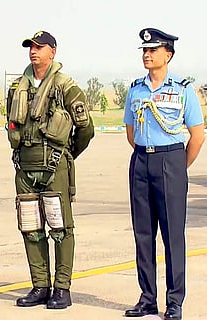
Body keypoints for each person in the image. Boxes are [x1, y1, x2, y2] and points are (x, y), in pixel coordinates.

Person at [6, 31, 94, 309]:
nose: (34, 52)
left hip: (55, 167)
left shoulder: (66, 86)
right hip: (25, 167)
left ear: (52, 52)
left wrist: (67, 156)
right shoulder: (17, 87)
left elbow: (85, 129)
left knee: (60, 228)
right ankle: (40, 285)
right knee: (31, 228)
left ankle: (62, 288)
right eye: (31, 47)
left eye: (39, 47)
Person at [123, 28, 205, 320]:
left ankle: (174, 302)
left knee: (172, 236)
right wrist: (148, 155)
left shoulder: (182, 90)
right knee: (143, 235)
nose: (147, 54)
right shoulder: (135, 89)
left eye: (153, 50)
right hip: (142, 161)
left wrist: (179, 166)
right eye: (144, 50)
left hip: (171, 161)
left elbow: (197, 135)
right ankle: (147, 298)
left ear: (167, 54)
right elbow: (131, 133)